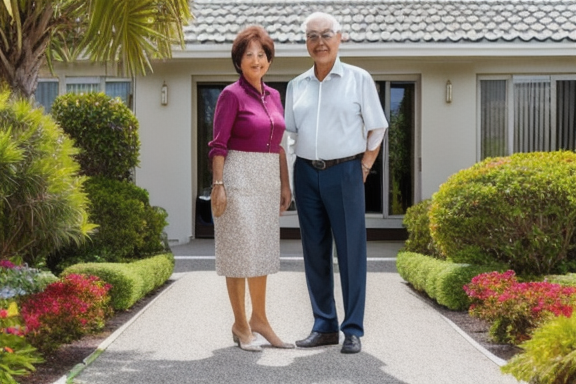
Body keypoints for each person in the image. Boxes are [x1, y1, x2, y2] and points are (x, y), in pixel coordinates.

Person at [284, 12, 388, 354]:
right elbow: (290, 136)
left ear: (339, 38)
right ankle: (324, 325)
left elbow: (377, 127)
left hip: (345, 172)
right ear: (306, 43)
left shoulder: (359, 79)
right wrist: (288, 181)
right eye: (312, 36)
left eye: (326, 34)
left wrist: (365, 166)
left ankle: (353, 328)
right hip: (306, 173)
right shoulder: (296, 85)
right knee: (314, 252)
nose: (320, 42)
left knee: (350, 252)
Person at [208, 26, 293, 352]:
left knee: (261, 252)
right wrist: (219, 185)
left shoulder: (273, 96)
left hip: (267, 178)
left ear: (269, 60)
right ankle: (241, 324)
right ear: (239, 61)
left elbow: (280, 145)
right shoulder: (231, 95)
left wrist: (285, 183)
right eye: (249, 55)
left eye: (262, 54)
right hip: (238, 177)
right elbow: (218, 144)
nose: (256, 60)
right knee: (239, 252)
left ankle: (261, 319)